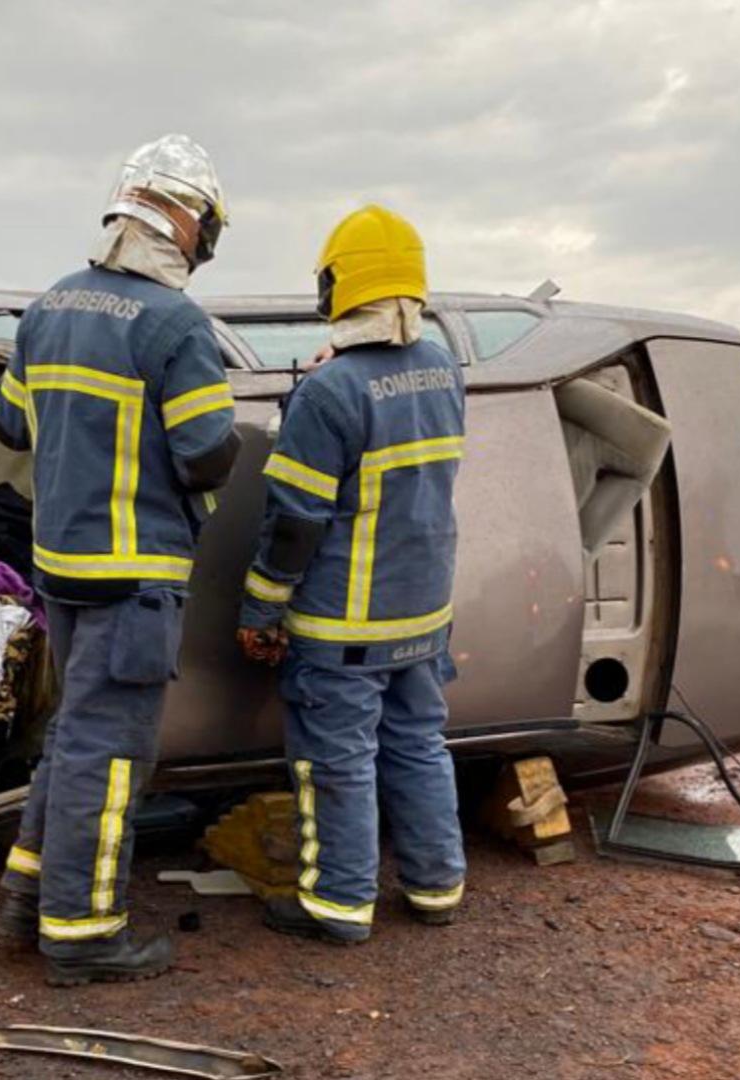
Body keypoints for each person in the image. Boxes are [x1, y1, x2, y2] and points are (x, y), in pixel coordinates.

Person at [0, 134, 240, 986]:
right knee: (110, 754)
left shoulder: (50, 306)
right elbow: (207, 451)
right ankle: (85, 932)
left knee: (72, 738)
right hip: (135, 577)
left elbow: (8, 422)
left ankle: (26, 900)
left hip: (61, 567)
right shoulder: (174, 324)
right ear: (180, 218)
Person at [237, 205, 467, 944]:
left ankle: (337, 905)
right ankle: (436, 887)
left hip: (342, 627)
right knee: (418, 746)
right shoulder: (442, 371)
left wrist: (260, 605)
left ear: (336, 286)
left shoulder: (329, 393)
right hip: (423, 617)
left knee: (335, 763)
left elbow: (294, 519)